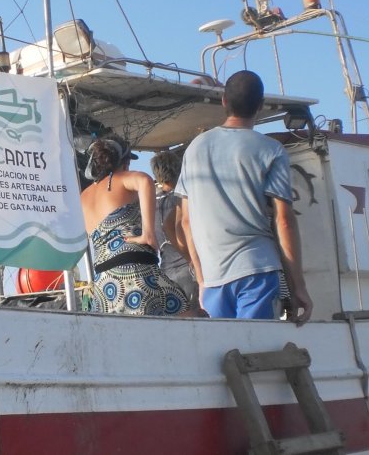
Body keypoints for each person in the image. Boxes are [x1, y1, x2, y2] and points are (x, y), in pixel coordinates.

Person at [176, 70, 312, 322]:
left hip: (214, 277)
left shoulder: (195, 148)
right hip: (257, 271)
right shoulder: (272, 150)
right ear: (260, 106)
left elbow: (185, 222)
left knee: (225, 345)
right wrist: (298, 286)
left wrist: (202, 279)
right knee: (255, 344)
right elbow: (284, 221)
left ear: (224, 101)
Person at [80, 136, 189, 316]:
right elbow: (145, 180)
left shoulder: (84, 195)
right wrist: (148, 233)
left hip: (104, 279)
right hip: (134, 267)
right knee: (183, 313)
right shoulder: (120, 179)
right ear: (124, 161)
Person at [149, 149, 202, 311]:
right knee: (199, 316)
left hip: (165, 271)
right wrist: (192, 260)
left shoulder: (151, 203)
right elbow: (175, 227)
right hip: (187, 267)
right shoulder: (182, 198)